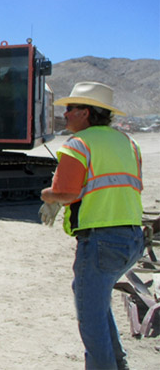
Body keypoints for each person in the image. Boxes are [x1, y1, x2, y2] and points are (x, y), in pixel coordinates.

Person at [39, 81, 144, 370]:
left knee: (91, 320)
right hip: (133, 240)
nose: (66, 114)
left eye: (71, 109)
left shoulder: (78, 145)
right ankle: (118, 363)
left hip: (101, 242)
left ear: (86, 113)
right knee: (94, 302)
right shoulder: (128, 143)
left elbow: (66, 193)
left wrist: (47, 196)